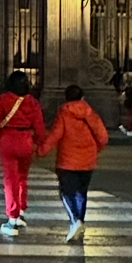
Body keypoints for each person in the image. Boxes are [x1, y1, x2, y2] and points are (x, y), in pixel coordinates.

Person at [38, 84, 109, 242]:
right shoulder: (90, 113)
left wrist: (42, 150)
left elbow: (55, 135)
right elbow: (103, 136)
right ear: (82, 97)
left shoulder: (64, 114)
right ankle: (80, 222)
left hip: (67, 160)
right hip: (88, 160)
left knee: (66, 192)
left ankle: (75, 221)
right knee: (81, 192)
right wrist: (94, 150)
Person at [0, 70, 47, 236]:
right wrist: (40, 143)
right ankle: (21, 211)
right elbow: (40, 126)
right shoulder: (33, 102)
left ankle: (12, 218)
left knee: (10, 180)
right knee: (22, 177)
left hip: (8, 140)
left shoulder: (3, 100)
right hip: (27, 139)